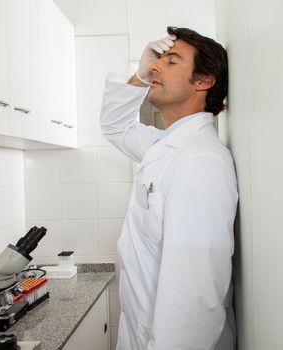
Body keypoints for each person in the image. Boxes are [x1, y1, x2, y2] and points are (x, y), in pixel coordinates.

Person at [100, 26, 238, 350]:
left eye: (171, 61)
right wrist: (139, 73)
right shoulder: (165, 146)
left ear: (204, 81)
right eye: (157, 60)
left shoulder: (200, 161)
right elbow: (115, 126)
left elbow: (192, 303)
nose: (156, 67)